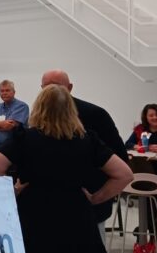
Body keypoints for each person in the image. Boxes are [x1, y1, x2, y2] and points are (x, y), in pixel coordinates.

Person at [0, 84, 133, 253]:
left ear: (39, 108)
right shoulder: (87, 140)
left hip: (34, 213)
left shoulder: (25, 138)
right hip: (76, 214)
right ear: (71, 110)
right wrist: (96, 198)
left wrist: (12, 192)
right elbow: (124, 174)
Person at [39, 70, 127, 233]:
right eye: (47, 87)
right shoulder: (39, 118)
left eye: (57, 86)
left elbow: (120, 158)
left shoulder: (95, 115)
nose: (52, 91)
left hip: (88, 206)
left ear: (70, 87)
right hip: (49, 207)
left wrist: (98, 197)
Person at [0, 79, 29, 149]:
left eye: (7, 90)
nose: (4, 93)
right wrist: (0, 125)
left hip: (14, 148)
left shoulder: (22, 106)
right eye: (2, 91)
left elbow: (8, 126)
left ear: (14, 92)